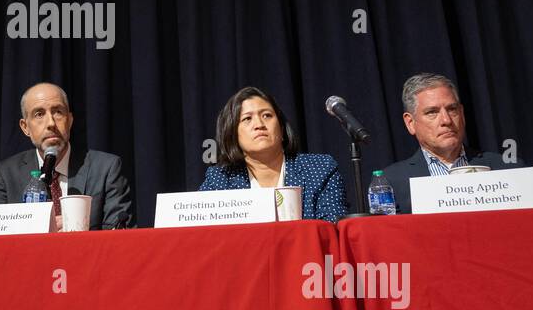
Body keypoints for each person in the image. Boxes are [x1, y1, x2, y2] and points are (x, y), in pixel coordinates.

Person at [0, 82, 134, 229]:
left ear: (69, 120)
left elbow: (119, 235)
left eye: (58, 112)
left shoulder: (106, 168)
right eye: (39, 114)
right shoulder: (6, 174)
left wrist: (76, 226)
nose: (51, 123)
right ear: (25, 127)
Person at [199, 86, 346, 221]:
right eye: (247, 119)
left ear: (281, 129)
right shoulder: (220, 179)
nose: (259, 125)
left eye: (267, 115)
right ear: (233, 134)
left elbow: (331, 227)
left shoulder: (320, 169)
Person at [380, 72, 511, 214]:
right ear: (410, 123)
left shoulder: (506, 169)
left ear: (462, 114)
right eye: (432, 112)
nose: (446, 120)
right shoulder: (391, 183)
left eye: (452, 109)